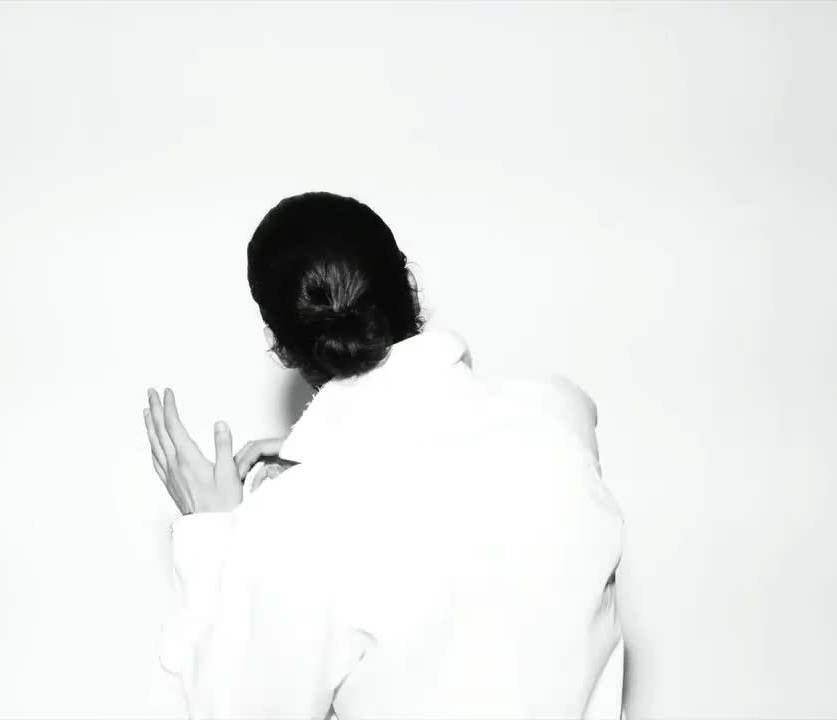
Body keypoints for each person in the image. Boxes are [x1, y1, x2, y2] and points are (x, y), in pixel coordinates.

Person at [142, 191, 624, 719]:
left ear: (277, 343)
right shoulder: (559, 415)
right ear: (407, 284)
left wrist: (216, 537)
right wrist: (335, 458)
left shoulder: (296, 527)